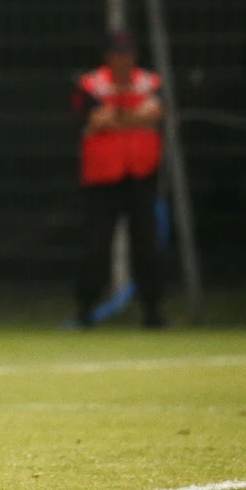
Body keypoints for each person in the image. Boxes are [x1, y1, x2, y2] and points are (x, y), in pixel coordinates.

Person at [73, 30, 166, 328]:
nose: (123, 60)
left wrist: (116, 116)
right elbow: (94, 119)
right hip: (102, 178)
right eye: (118, 54)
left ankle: (153, 312)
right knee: (96, 247)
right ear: (108, 57)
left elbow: (155, 113)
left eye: (128, 54)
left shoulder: (150, 82)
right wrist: (132, 115)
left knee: (147, 246)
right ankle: (86, 309)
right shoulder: (90, 84)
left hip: (141, 175)